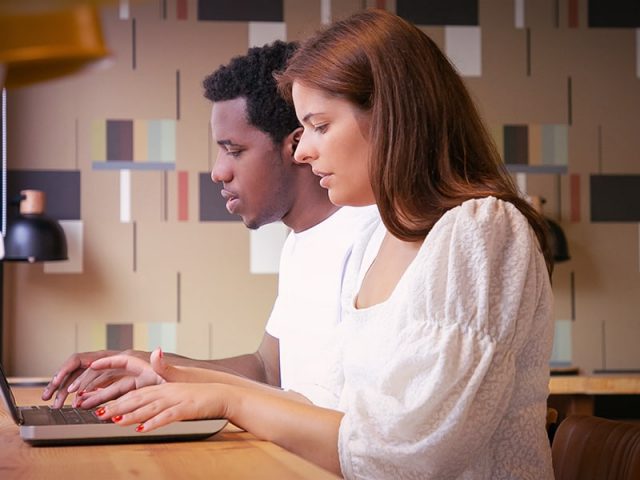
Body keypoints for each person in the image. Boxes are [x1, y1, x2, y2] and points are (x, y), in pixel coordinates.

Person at [82, 10, 555, 479]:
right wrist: (185, 380)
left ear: (392, 117)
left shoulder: (481, 229)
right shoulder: (378, 239)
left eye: (320, 126)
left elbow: (411, 451)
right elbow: (328, 406)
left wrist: (229, 397)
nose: (304, 151)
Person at [42, 40, 377, 410]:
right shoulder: (301, 241)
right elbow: (267, 370)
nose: (218, 171)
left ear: (295, 144)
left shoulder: (371, 238)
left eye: (234, 150)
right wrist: (149, 365)